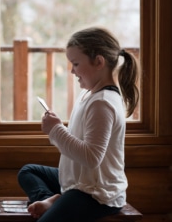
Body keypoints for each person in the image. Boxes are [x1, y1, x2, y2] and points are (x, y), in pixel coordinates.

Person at [17, 27, 140, 222]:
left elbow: (91, 157)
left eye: (75, 63)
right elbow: (81, 144)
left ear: (99, 62)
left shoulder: (103, 102)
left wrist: (56, 130)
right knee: (28, 171)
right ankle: (54, 200)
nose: (71, 70)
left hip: (96, 194)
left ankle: (57, 202)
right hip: (79, 182)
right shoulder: (88, 95)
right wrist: (58, 128)